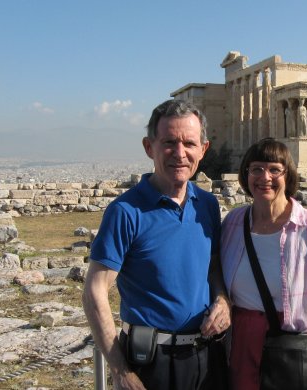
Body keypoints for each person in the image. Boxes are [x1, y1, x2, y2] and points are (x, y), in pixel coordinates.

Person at [82, 99, 231, 390]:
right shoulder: (125, 212)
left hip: (206, 357)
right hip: (150, 362)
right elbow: (94, 291)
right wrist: (120, 370)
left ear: (203, 149)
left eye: (189, 143)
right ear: (149, 147)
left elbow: (212, 267)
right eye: (169, 142)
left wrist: (223, 301)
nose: (180, 153)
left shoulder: (209, 205)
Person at [220, 138, 307, 390]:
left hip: (293, 347)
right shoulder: (232, 222)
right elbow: (216, 274)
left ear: (288, 175)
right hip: (242, 341)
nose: (264, 176)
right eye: (256, 169)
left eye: (274, 169)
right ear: (246, 174)